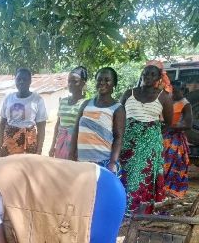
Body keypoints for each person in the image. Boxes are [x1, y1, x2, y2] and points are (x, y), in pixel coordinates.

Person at [120, 63, 173, 214]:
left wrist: (151, 135)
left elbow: (169, 123)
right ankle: (124, 209)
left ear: (158, 78)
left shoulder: (164, 97)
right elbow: (118, 116)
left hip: (149, 145)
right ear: (141, 74)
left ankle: (140, 212)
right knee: (126, 174)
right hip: (128, 143)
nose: (148, 76)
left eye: (152, 74)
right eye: (145, 73)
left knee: (144, 176)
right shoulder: (128, 93)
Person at [69, 67, 125, 175]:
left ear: (114, 84)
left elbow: (118, 138)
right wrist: (71, 155)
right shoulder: (86, 104)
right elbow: (76, 131)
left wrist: (113, 163)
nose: (102, 82)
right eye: (99, 79)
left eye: (107, 80)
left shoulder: (117, 108)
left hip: (103, 163)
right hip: (81, 162)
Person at [0, 68, 47, 156]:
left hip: (29, 142)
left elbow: (41, 128)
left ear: (30, 81)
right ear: (15, 80)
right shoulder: (9, 98)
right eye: (19, 79)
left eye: (25, 79)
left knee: (27, 168)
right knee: (9, 168)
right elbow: (2, 124)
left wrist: (39, 151)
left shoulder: (37, 99)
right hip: (9, 142)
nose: (21, 82)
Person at [49, 66, 88, 159]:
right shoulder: (63, 101)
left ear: (83, 83)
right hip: (61, 143)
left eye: (75, 81)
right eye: (69, 81)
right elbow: (58, 124)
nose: (70, 84)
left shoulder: (86, 104)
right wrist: (52, 145)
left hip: (77, 145)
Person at [163, 80, 193, 197]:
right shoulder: (167, 101)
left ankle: (173, 193)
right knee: (162, 166)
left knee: (174, 165)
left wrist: (169, 126)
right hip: (164, 137)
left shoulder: (185, 104)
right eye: (172, 90)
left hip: (175, 141)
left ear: (184, 91)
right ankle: (162, 192)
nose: (173, 93)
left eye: (176, 90)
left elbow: (188, 124)